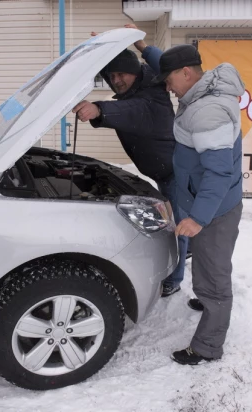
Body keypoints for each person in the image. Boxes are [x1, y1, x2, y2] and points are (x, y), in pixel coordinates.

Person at [72, 26, 189, 298]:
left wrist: (100, 109)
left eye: (121, 75)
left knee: (179, 225)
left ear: (135, 72)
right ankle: (184, 252)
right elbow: (116, 74)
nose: (116, 81)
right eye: (111, 76)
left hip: (176, 172)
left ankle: (176, 277)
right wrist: (105, 47)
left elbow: (133, 111)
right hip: (160, 171)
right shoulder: (130, 80)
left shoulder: (153, 96)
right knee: (172, 220)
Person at [151, 44, 245, 365]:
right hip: (209, 199)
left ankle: (207, 347)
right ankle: (208, 301)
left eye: (169, 79)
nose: (167, 86)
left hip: (215, 208)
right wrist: (144, 47)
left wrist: (198, 218)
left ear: (186, 73)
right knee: (206, 266)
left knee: (214, 276)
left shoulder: (208, 113)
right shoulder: (200, 92)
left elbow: (219, 172)